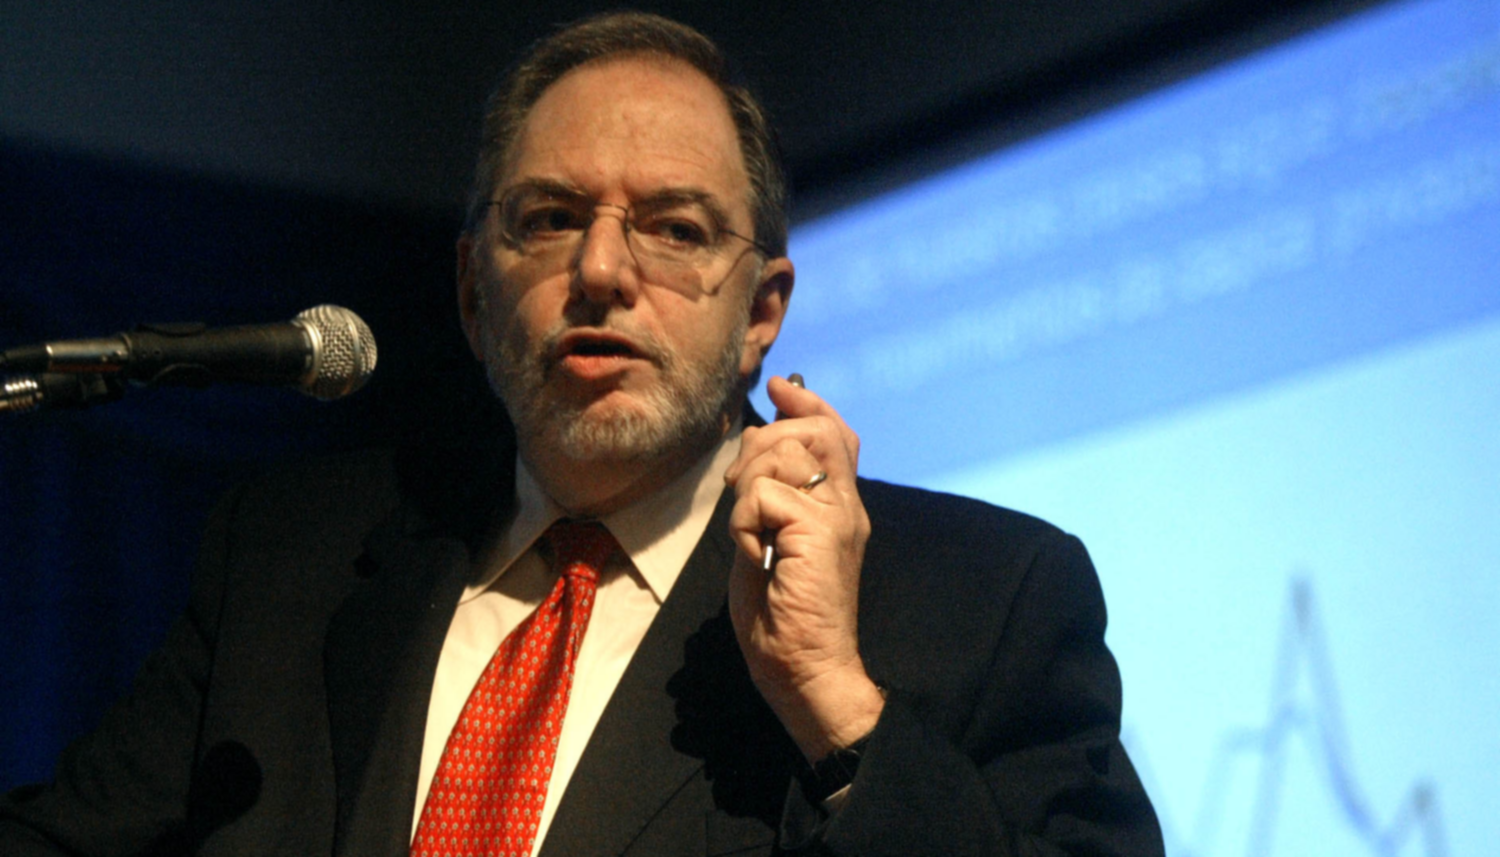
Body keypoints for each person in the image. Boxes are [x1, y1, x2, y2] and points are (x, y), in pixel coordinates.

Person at [0, 11, 1163, 856]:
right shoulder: (289, 558)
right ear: (473, 291)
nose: (601, 269)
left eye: (675, 227)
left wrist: (836, 705)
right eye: (551, 218)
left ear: (762, 311)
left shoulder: (982, 597)